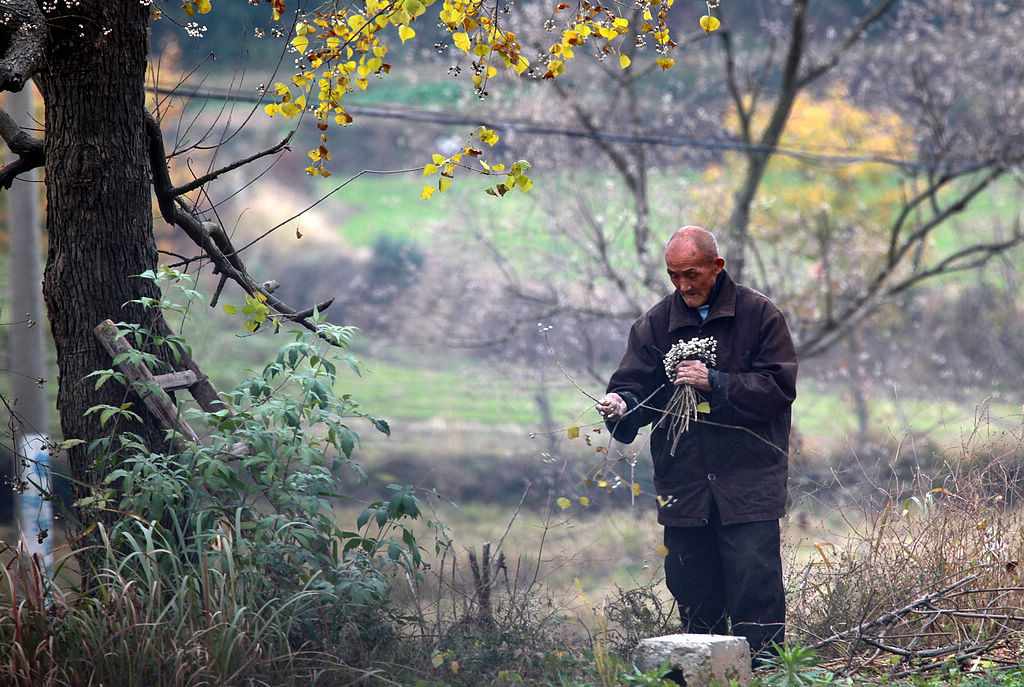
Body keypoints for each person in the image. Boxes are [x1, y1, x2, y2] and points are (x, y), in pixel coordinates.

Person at [596, 225, 798, 664]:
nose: (683, 285)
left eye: (692, 274)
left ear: (717, 266)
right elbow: (636, 390)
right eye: (674, 275)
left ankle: (763, 674)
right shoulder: (653, 326)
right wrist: (619, 406)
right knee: (694, 597)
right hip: (684, 486)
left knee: (756, 597)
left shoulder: (760, 316)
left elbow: (779, 387)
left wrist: (717, 383)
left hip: (748, 485)